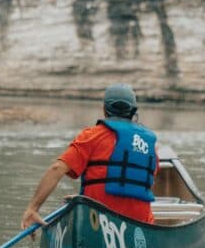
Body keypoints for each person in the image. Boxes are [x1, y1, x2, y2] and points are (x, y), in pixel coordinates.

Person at [20, 83, 159, 239]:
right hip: (141, 229)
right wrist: (83, 200)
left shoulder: (92, 136)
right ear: (133, 112)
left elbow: (56, 169)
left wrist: (32, 209)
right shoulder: (150, 144)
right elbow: (136, 182)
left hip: (99, 226)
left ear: (104, 109)